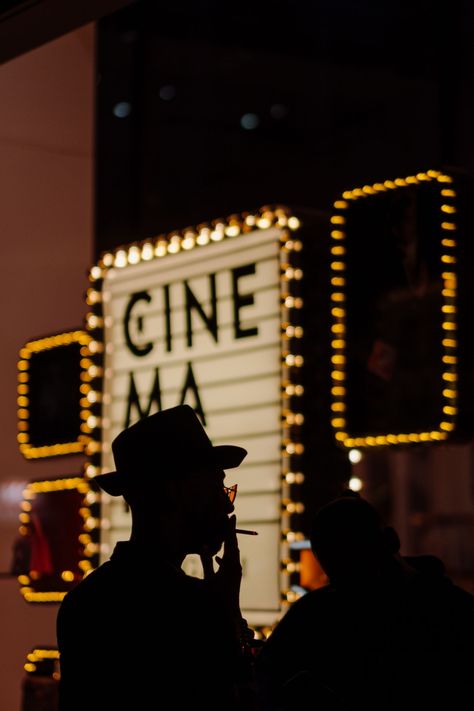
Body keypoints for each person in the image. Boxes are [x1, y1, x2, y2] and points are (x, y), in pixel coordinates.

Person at [57, 404, 257, 710]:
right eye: (217, 487)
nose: (226, 505)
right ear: (174, 491)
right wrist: (225, 614)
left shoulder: (82, 600)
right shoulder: (191, 607)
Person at [255, 492, 474, 710]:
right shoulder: (453, 610)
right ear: (392, 539)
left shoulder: (312, 617)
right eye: (344, 572)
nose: (359, 584)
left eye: (362, 560)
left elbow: (264, 683)